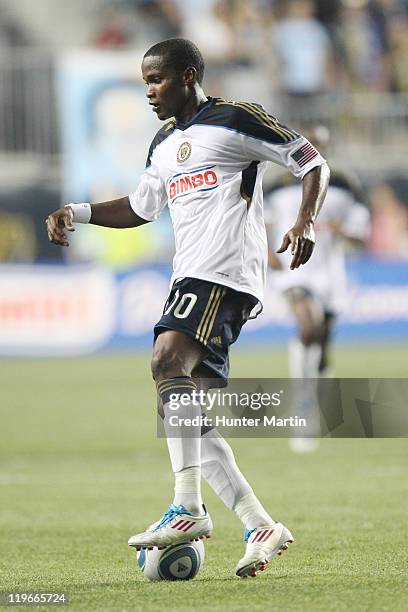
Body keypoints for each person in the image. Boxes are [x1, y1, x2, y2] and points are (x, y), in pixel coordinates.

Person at [46, 38, 330, 578]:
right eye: (145, 81)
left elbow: (311, 162)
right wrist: (77, 210)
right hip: (193, 274)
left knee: (164, 363)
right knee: (183, 412)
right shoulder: (162, 142)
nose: (149, 91)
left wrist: (305, 220)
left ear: (188, 75)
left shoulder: (235, 119)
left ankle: (188, 507)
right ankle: (258, 522)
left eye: (157, 80)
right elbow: (138, 208)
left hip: (225, 273)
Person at [264, 125, 369, 451]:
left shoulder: (344, 184)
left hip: (329, 273)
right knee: (307, 326)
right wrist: (267, 252)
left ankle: (314, 396)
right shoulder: (276, 185)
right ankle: (302, 410)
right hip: (293, 270)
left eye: (320, 146)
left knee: (322, 346)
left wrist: (343, 231)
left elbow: (360, 234)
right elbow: (261, 221)